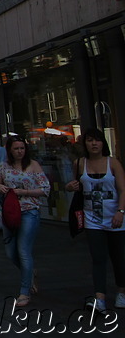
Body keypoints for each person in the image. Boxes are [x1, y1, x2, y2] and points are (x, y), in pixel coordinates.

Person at [65, 128, 125, 312]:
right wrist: (70, 186)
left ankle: (121, 292)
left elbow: (123, 190)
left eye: (97, 140)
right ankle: (100, 297)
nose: (94, 144)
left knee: (119, 257)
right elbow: (73, 186)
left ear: (102, 143)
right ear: (85, 144)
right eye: (90, 140)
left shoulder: (113, 163)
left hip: (114, 217)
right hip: (92, 218)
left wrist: (120, 211)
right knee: (98, 258)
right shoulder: (80, 163)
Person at [0, 135, 49, 307]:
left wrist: (24, 192)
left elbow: (45, 188)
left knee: (23, 250)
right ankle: (30, 272)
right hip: (10, 212)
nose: (19, 151)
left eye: (22, 148)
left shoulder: (33, 165)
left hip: (29, 211)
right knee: (11, 253)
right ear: (9, 149)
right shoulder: (4, 166)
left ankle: (25, 292)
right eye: (16, 148)